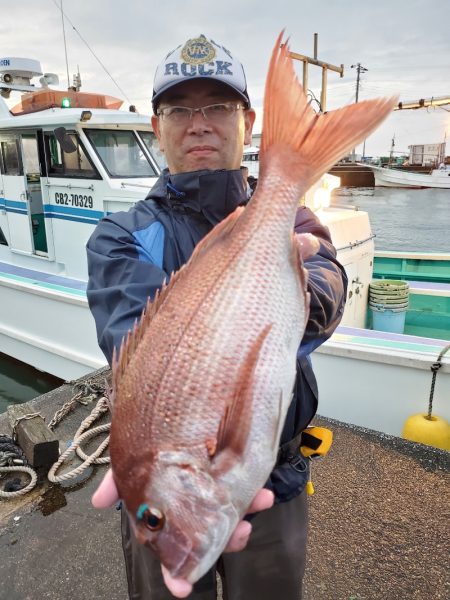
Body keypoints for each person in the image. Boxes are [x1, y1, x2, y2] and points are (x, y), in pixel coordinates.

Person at [86, 34, 347, 600]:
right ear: (156, 127)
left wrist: (298, 289)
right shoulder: (121, 236)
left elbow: (330, 284)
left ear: (248, 122)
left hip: (277, 482)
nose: (198, 123)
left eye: (218, 107)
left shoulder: (288, 213)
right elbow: (130, 336)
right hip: (169, 492)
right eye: (179, 109)